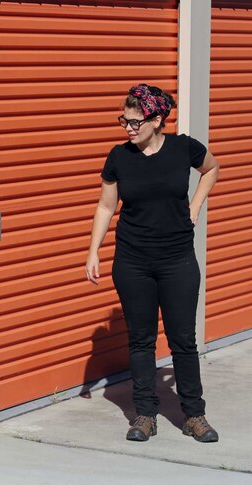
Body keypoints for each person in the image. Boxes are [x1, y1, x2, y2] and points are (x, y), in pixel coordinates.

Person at [86, 84, 220, 443]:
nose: (127, 128)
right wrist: (93, 250)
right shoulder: (118, 156)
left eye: (133, 121)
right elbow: (105, 205)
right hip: (132, 260)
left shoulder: (182, 148)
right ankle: (144, 414)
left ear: (157, 119)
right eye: (124, 121)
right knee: (141, 340)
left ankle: (194, 415)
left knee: (183, 340)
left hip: (177, 258)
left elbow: (211, 169)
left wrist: (194, 209)